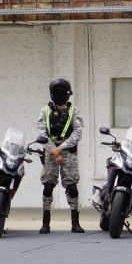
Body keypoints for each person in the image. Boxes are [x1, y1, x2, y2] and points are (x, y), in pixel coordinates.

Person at [37, 77, 85, 234]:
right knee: (48, 185)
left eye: (62, 92)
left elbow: (78, 132)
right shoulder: (45, 111)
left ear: (68, 94)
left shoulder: (74, 110)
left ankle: (75, 222)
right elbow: (42, 133)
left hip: (68, 150)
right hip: (50, 150)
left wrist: (61, 148)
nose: (59, 96)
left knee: (72, 186)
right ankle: (45, 223)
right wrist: (54, 151)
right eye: (56, 92)